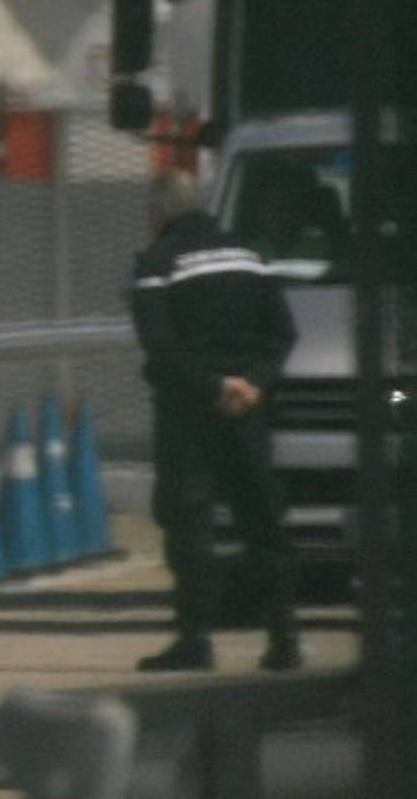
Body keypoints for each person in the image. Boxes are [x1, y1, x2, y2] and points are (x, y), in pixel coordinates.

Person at [130, 170, 301, 672]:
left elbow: (159, 348)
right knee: (263, 522)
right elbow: (282, 334)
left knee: (191, 529)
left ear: (161, 211)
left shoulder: (156, 263)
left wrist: (213, 387)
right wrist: (252, 383)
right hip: (248, 412)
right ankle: (285, 637)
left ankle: (195, 640)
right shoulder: (251, 257)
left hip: (188, 418)